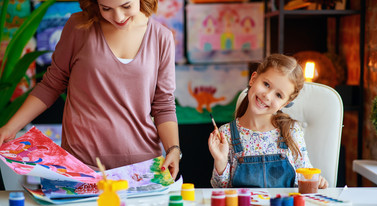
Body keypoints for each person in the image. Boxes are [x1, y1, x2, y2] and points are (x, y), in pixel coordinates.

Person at [0, 0, 181, 179]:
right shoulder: (79, 27)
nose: (118, 17)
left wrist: (173, 149)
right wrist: (10, 128)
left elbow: (164, 105)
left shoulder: (161, 37)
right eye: (106, 8)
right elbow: (51, 85)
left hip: (142, 168)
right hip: (80, 165)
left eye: (126, 6)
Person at [208, 54, 328, 188]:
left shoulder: (292, 131)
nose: (267, 95)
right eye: (266, 84)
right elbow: (220, 189)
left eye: (278, 95)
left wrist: (316, 181)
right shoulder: (226, 133)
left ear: (284, 104)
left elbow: (305, 176)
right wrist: (220, 160)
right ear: (253, 79)